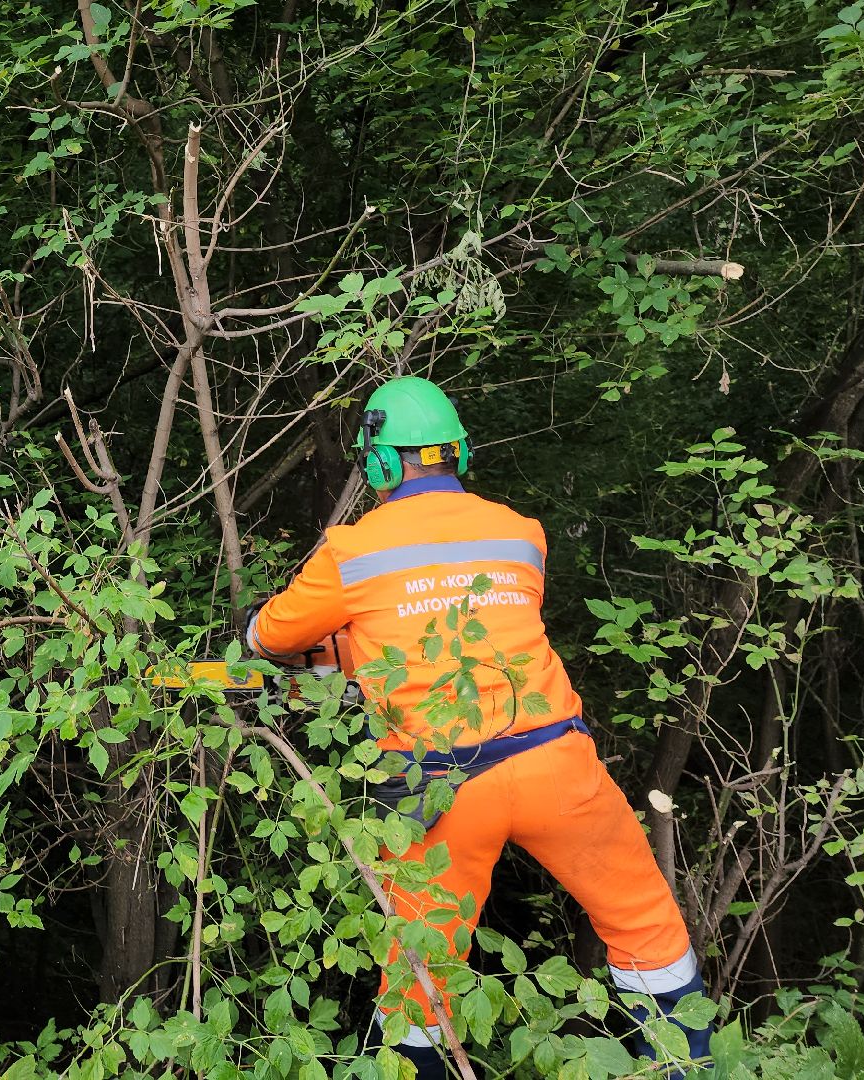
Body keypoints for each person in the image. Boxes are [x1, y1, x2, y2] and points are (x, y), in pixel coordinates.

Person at [245, 376, 711, 1078]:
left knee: (422, 966)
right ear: (459, 451)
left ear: (380, 462)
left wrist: (289, 642)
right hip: (556, 763)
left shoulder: (354, 550)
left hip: (443, 786)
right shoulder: (520, 533)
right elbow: (476, 625)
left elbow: (272, 637)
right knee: (644, 920)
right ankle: (684, 1064)